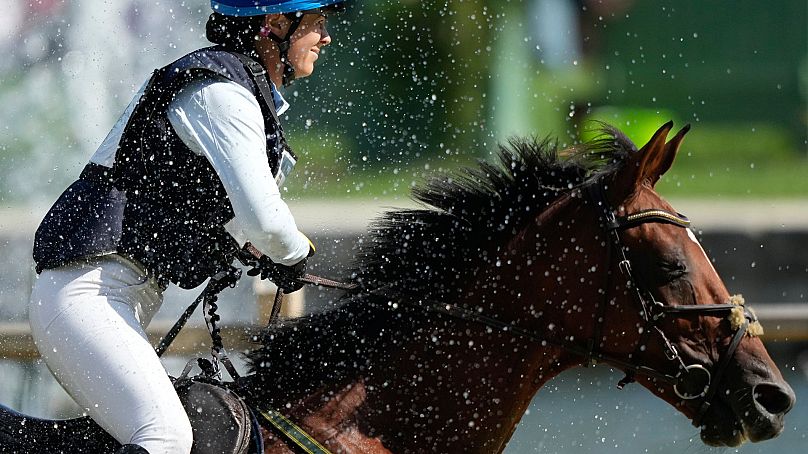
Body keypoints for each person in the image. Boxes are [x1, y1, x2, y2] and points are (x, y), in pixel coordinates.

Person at [27, 1, 346, 452]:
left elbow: (237, 225)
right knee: (167, 437)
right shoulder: (222, 94)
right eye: (316, 24)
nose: (325, 37)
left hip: (108, 296)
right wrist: (295, 255)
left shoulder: (237, 89)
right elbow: (266, 220)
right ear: (275, 25)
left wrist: (259, 254)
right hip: (85, 297)